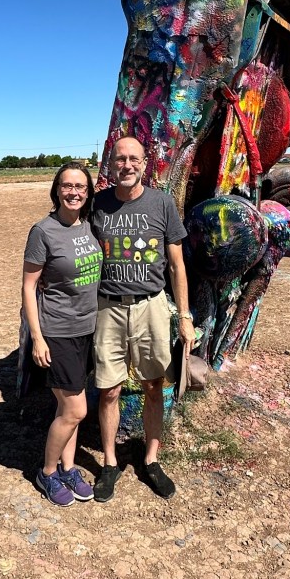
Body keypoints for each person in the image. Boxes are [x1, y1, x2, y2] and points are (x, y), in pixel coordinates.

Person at [91, 136, 196, 502]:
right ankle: (109, 463)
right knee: (108, 389)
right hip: (108, 308)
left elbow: (176, 264)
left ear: (145, 163)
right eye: (120, 159)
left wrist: (184, 316)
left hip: (151, 305)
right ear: (111, 164)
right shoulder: (97, 205)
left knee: (154, 385)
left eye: (134, 159)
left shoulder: (161, 203)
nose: (127, 165)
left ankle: (151, 460)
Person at [22, 162, 102, 506]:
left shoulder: (87, 227)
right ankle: (48, 472)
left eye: (80, 187)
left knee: (67, 407)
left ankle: (69, 467)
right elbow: (28, 287)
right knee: (76, 410)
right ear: (57, 190)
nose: (74, 192)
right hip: (57, 331)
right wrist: (37, 338)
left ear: (88, 193)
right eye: (67, 186)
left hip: (87, 329)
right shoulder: (43, 231)